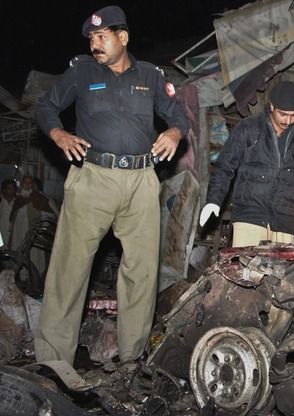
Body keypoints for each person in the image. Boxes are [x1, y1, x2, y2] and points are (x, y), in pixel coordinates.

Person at [33, 5, 189, 367]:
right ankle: (54, 360)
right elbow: (46, 106)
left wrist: (174, 131)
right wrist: (58, 134)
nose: (95, 44)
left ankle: (132, 359)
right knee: (70, 268)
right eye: (91, 38)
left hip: (141, 182)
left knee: (142, 271)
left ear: (123, 37)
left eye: (101, 37)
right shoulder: (82, 72)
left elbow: (178, 114)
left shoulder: (151, 75)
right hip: (93, 178)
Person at [199, 81, 294, 247]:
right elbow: (224, 166)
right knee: (248, 270)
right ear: (271, 106)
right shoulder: (249, 128)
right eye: (283, 114)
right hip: (250, 215)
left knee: (280, 272)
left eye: (293, 115)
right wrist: (214, 200)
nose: (288, 120)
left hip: (284, 219)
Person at [0, 180, 17, 245]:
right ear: (4, 190)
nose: (12, 190)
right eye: (9, 188)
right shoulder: (1, 201)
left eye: (13, 188)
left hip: (12, 235)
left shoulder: (17, 202)